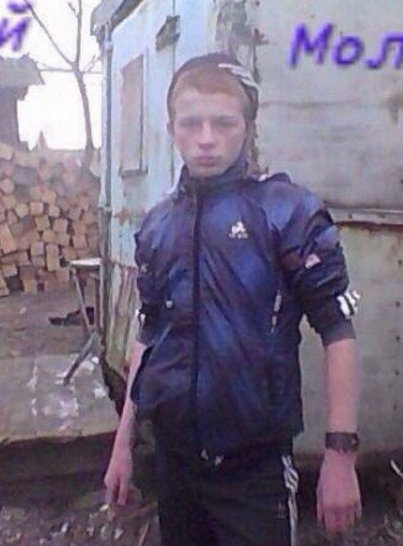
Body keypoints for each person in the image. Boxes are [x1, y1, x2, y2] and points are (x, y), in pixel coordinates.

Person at [104, 52, 362, 546]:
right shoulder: (158, 226)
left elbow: (337, 330)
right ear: (172, 129)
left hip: (253, 471)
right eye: (191, 123)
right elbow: (148, 335)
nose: (206, 138)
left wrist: (340, 454)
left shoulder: (287, 213)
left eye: (223, 123)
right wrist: (123, 446)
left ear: (247, 127)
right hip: (174, 464)